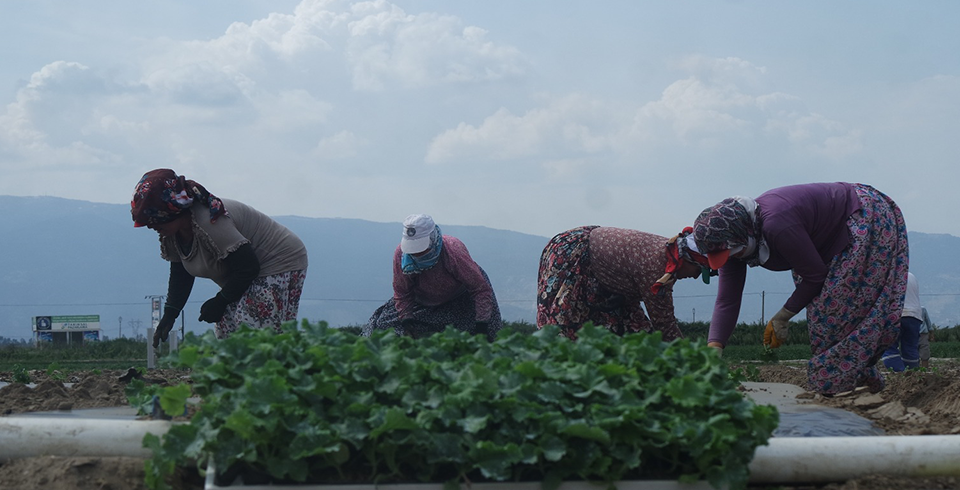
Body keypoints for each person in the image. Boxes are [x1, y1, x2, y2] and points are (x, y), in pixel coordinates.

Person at [691, 182, 908, 395]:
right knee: (824, 314)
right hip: (821, 243)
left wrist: (782, 316)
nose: (733, 258)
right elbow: (727, 301)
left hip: (861, 214)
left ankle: (843, 385)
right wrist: (714, 348)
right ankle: (856, 384)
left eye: (734, 252)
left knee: (835, 309)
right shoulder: (727, 241)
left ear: (741, 236)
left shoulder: (775, 225)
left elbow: (815, 277)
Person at [131, 169, 308, 347]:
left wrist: (221, 300)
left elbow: (248, 267)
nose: (150, 227)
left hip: (278, 259)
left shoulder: (209, 221)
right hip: (244, 271)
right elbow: (181, 272)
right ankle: (239, 372)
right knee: (227, 328)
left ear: (172, 211)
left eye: (154, 221)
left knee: (255, 328)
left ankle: (272, 371)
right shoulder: (171, 233)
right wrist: (170, 314)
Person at [536, 226, 709, 341]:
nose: (695, 277)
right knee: (565, 326)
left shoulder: (669, 255)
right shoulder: (656, 269)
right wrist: (689, 359)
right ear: (686, 261)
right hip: (575, 253)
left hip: (609, 275)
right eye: (698, 271)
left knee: (633, 333)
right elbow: (664, 324)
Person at [362, 214, 502, 340]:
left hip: (460, 298)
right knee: (382, 327)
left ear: (433, 238)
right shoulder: (401, 255)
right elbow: (402, 292)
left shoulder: (453, 251)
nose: (416, 254)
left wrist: (482, 325)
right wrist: (407, 321)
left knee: (484, 336)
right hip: (422, 301)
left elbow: (480, 289)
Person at [882, 272, 922, 371]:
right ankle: (913, 376)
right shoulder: (912, 276)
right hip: (914, 315)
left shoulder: (887, 274)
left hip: (894, 314)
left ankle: (901, 375)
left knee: (888, 348)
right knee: (910, 348)